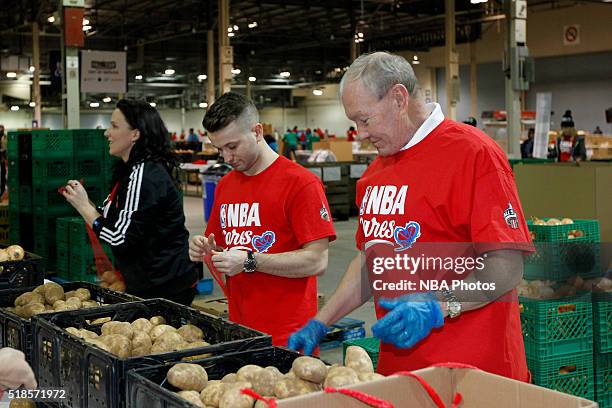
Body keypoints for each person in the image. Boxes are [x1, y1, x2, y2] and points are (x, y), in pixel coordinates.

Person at [288, 52, 533, 381]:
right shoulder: (375, 172)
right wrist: (322, 321)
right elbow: (369, 262)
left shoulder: (473, 154)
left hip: (475, 374)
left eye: (365, 120)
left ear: (398, 98)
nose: (359, 134)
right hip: (403, 373)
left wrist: (439, 305)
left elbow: (506, 268)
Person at [189, 92, 336, 346]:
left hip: (288, 336)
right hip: (240, 331)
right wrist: (205, 248)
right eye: (219, 149)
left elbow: (317, 261)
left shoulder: (301, 184)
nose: (226, 157)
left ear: (257, 132)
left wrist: (249, 261)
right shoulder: (225, 185)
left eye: (232, 146)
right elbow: (222, 247)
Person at [61, 99, 198, 305]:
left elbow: (119, 237)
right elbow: (119, 220)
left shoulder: (144, 174)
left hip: (164, 289)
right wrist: (85, 203)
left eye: (114, 126)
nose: (107, 133)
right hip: (150, 282)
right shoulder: (131, 171)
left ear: (135, 134)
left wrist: (83, 207)